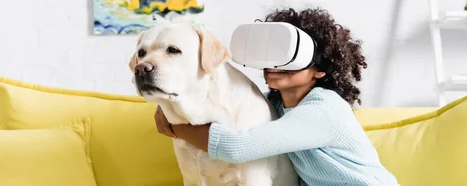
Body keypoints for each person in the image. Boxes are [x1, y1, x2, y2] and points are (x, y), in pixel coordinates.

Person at [154, 7, 400, 186]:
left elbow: (238, 146)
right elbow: (224, 109)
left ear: (321, 69)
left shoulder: (325, 109)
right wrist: (170, 102)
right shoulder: (273, 104)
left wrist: (175, 127)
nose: (275, 63)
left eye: (289, 56)